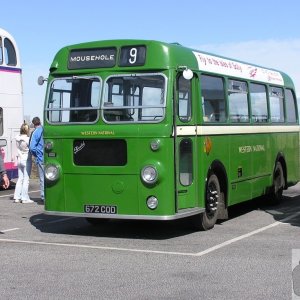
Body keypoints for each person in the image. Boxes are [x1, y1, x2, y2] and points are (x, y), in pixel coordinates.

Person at [13, 122, 33, 203]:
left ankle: (17, 197)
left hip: (19, 159)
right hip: (26, 159)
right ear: (27, 130)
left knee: (20, 179)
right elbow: (31, 148)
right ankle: (24, 198)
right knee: (26, 179)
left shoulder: (17, 138)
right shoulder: (28, 139)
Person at [29, 117, 44, 202]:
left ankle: (44, 197)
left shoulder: (35, 132)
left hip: (41, 158)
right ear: (40, 122)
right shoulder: (45, 129)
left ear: (34, 124)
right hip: (50, 158)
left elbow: (32, 147)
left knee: (42, 179)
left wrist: (36, 154)